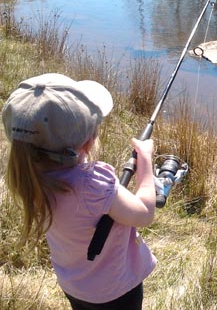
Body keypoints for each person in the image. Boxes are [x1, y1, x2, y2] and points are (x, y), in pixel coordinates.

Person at [2, 73, 157, 310]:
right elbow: (144, 213)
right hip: (114, 293)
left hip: (74, 285)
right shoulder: (93, 185)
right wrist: (145, 159)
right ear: (88, 141)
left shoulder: (26, 176)